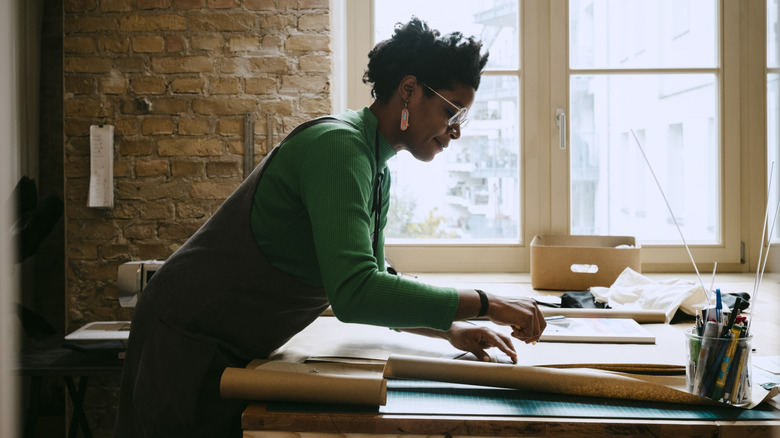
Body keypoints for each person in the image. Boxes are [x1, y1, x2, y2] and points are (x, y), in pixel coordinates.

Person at [115, 17, 546, 438]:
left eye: (462, 118)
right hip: (183, 337)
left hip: (227, 341)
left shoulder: (377, 167)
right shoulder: (339, 147)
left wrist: (449, 328)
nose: (455, 133)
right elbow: (354, 294)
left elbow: (375, 282)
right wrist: (488, 303)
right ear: (409, 91)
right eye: (452, 111)